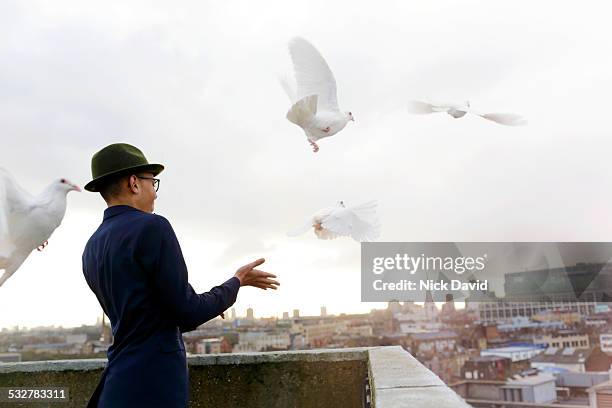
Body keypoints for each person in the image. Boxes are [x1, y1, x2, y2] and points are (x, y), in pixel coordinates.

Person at [81, 143, 279, 407]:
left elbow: (153, 312)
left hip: (116, 384)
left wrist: (213, 299)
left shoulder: (91, 246)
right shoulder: (153, 227)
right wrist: (235, 283)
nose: (155, 192)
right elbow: (186, 312)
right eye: (153, 182)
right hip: (154, 385)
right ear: (134, 183)